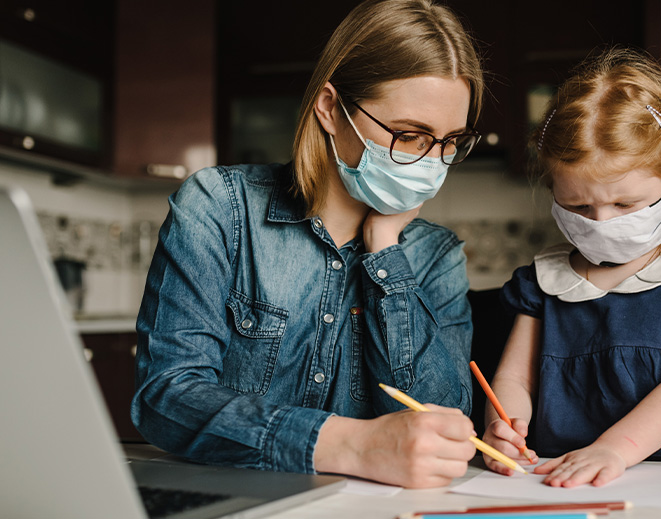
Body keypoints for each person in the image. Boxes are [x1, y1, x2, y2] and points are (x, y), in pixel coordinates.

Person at [132, 0, 485, 489]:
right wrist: (350, 446)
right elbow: (166, 398)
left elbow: (439, 424)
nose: (433, 163)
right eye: (410, 136)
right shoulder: (218, 206)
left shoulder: (436, 255)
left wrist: (385, 251)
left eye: (451, 142)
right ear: (329, 108)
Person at [481, 47, 661, 487]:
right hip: (550, 479)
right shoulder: (542, 282)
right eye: (578, 205)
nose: (602, 222)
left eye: (625, 203)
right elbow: (512, 379)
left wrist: (615, 449)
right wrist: (503, 427)